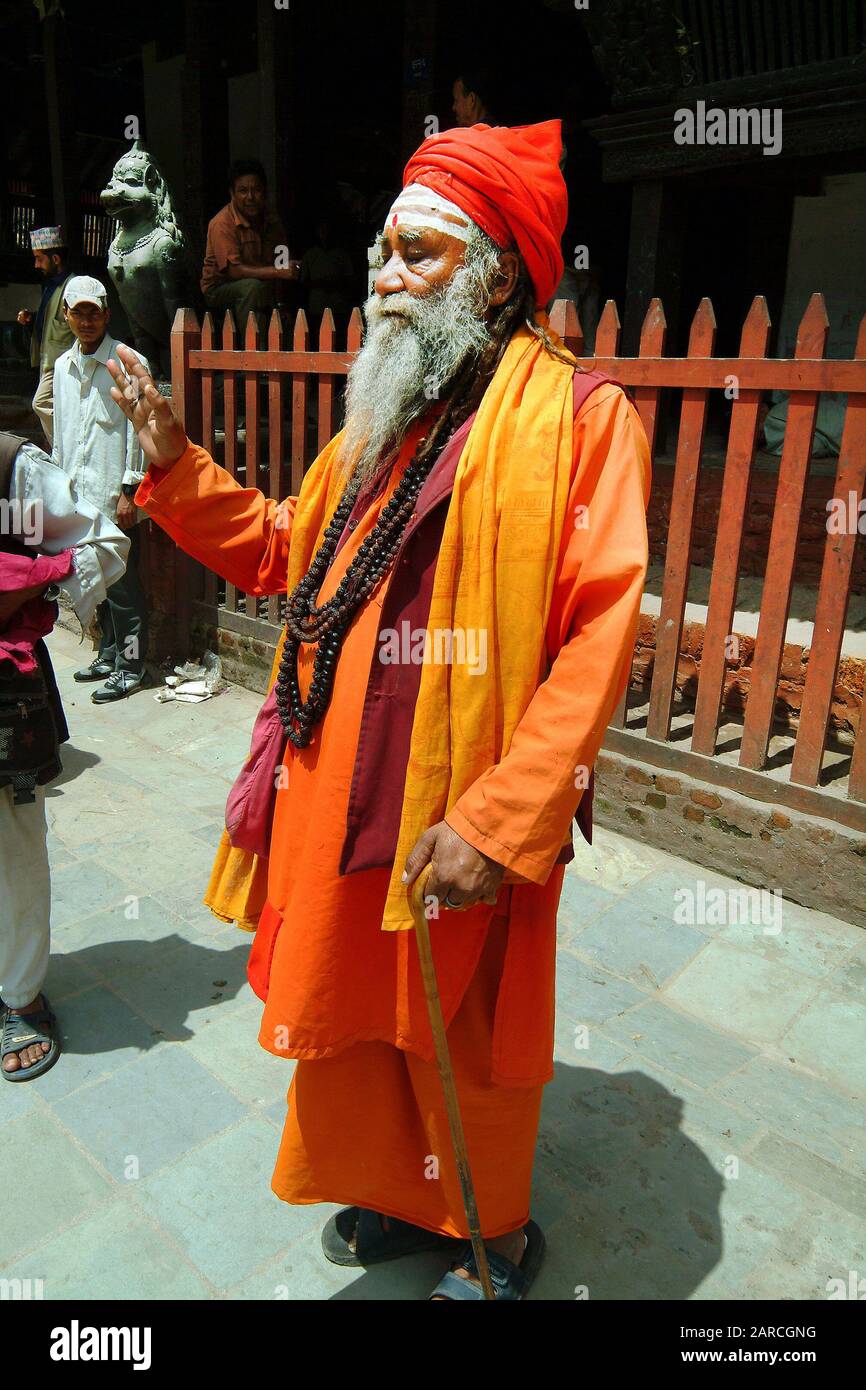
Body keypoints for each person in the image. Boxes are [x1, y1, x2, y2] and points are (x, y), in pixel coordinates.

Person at [109, 120, 650, 1300]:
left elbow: (595, 643)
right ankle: (406, 1198)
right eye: (379, 253)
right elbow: (288, 552)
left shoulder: (583, 419)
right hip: (341, 784)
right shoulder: (383, 417)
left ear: (498, 271)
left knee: (464, 1034)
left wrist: (502, 823)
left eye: (414, 252)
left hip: (465, 807)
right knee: (356, 1011)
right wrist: (176, 464)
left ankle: (491, 1231)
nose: (382, 276)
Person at [0, 431, 128, 1080]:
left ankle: (19, 996)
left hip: (2, 689)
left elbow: (102, 542)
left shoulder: (9, 473)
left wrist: (30, 589)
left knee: (12, 843)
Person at [52, 276, 150, 702]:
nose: (87, 320)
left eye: (95, 312)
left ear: (107, 314)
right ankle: (109, 655)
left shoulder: (126, 361)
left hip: (114, 496)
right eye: (79, 312)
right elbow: (61, 433)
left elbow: (139, 431)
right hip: (77, 493)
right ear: (67, 316)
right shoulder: (61, 367)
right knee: (97, 583)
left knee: (123, 589)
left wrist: (131, 490)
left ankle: (131, 666)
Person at [201, 159, 300, 327]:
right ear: (232, 194)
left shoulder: (273, 220)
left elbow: (282, 265)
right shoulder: (221, 223)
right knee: (251, 288)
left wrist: (281, 304)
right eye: (243, 191)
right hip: (219, 289)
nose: (250, 197)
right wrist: (277, 272)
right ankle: (253, 346)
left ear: (265, 192)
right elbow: (233, 271)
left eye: (256, 190)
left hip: (262, 287)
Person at [16, 226, 75, 447]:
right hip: (47, 358)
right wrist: (32, 318)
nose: (36, 265)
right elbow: (52, 320)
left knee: (40, 403)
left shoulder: (72, 286)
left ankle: (64, 447)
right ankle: (60, 450)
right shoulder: (51, 285)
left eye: (40, 259)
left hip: (60, 360)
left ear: (56, 258)